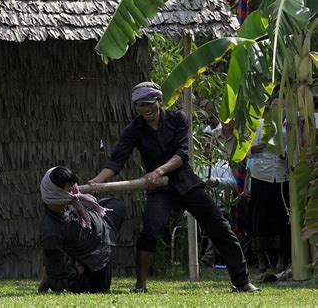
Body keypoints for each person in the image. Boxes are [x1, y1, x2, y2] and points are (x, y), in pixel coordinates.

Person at [89, 81, 259, 293]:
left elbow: (182, 153)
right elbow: (117, 160)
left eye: (150, 103)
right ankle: (140, 286)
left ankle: (242, 282)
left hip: (186, 182)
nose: (146, 109)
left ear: (159, 101)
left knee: (219, 227)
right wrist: (97, 181)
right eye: (141, 105)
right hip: (160, 189)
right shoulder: (133, 129)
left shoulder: (178, 119)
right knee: (150, 232)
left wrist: (159, 171)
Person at [38, 166, 126, 293]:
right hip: (92, 258)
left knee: (117, 205)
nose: (74, 189)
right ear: (56, 193)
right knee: (100, 288)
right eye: (69, 187)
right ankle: (50, 275)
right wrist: (78, 269)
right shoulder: (51, 232)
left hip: (101, 226)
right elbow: (59, 271)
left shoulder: (69, 203)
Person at [249, 92, 290, 272]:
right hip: (261, 176)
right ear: (269, 108)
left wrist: (284, 154)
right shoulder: (259, 126)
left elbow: (293, 153)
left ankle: (282, 259)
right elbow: (247, 151)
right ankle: (261, 261)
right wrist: (264, 144)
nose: (278, 110)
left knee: (281, 217)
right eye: (275, 106)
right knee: (260, 217)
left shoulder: (290, 128)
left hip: (281, 176)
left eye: (282, 106)